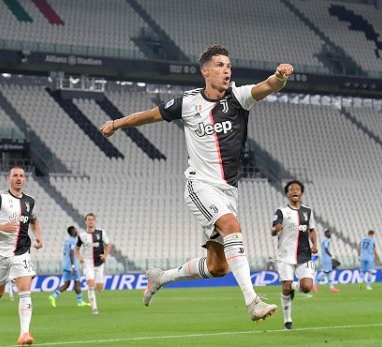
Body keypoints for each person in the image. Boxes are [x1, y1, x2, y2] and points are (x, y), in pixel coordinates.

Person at [100, 44, 293, 322]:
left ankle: (161, 277)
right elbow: (150, 116)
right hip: (200, 185)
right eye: (219, 65)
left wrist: (281, 77)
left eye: (228, 65)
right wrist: (116, 123)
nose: (226, 70)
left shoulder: (238, 98)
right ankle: (253, 302)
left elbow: (267, 86)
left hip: (228, 192)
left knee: (218, 268)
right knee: (232, 227)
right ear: (205, 71)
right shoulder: (189, 103)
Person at [0, 167, 42, 345]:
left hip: (21, 252)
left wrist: (39, 238)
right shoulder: (0, 197)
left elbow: (34, 220)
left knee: (26, 292)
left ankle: (24, 333)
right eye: (15, 176)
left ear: (25, 180)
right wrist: (2, 227)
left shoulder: (30, 201)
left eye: (21, 176)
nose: (19, 178)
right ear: (9, 179)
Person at [271, 180, 318, 330]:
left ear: (301, 193)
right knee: (285, 288)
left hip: (304, 254)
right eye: (291, 189)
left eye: (297, 189)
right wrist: (275, 229)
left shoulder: (308, 211)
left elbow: (312, 230)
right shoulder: (281, 211)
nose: (295, 191)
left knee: (306, 287)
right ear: (287, 194)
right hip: (286, 255)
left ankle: (292, 286)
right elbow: (273, 230)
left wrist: (315, 244)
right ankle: (287, 320)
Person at [76, 213, 112, 315]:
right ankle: (94, 309)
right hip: (88, 263)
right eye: (89, 220)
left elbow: (108, 245)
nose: (90, 221)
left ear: (95, 221)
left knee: (100, 288)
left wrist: (105, 255)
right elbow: (77, 248)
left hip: (99, 263)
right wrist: (80, 258)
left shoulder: (101, 233)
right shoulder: (82, 236)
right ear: (85, 221)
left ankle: (94, 290)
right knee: (91, 284)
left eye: (92, 219)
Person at [49, 226, 90, 308]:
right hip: (72, 266)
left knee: (67, 284)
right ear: (72, 232)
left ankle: (53, 296)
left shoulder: (68, 240)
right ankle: (80, 302)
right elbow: (71, 253)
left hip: (66, 265)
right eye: (75, 230)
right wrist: (73, 266)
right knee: (77, 282)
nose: (77, 231)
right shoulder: (73, 241)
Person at [318, 229, 340, 293]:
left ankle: (331, 287)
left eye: (330, 232)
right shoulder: (325, 240)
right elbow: (326, 249)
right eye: (329, 233)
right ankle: (315, 283)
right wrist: (331, 256)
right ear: (325, 233)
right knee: (326, 272)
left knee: (330, 272)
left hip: (327, 258)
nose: (330, 234)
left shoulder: (326, 240)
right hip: (326, 258)